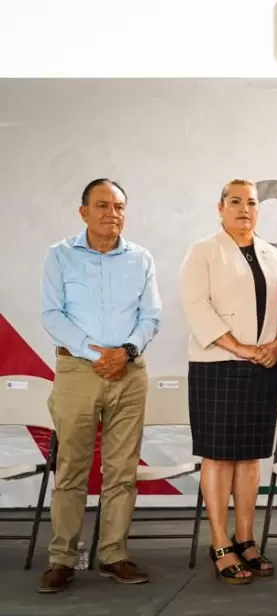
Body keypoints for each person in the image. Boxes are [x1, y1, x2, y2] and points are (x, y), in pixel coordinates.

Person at [37, 178, 162, 593]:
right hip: (77, 372)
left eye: (120, 206)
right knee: (71, 468)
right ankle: (62, 559)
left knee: (122, 470)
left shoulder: (140, 258)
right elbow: (52, 315)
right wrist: (97, 355)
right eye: (103, 205)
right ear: (83, 212)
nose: (113, 213)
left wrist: (124, 352)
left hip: (129, 372)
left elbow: (151, 317)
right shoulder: (60, 256)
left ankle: (113, 554)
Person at [179, 179, 277, 584]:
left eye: (251, 202)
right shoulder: (204, 251)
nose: (244, 209)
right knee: (219, 455)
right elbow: (196, 306)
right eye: (235, 202)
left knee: (249, 456)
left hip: (265, 364)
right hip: (218, 364)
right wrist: (240, 347)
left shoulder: (276, 256)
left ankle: (246, 540)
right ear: (220, 207)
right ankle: (220, 541)